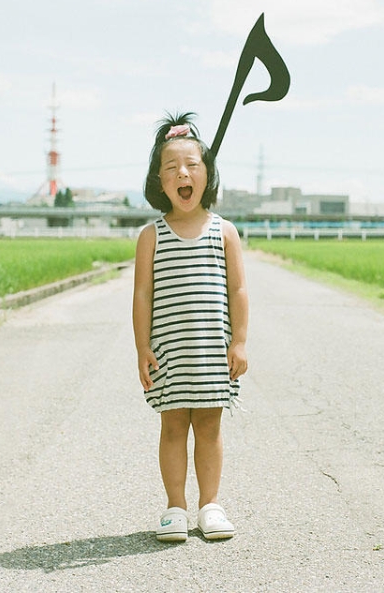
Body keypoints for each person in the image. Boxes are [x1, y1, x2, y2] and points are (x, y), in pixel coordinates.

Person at [132, 111, 249, 542]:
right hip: (171, 353)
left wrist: (239, 342)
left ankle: (210, 506)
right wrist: (142, 348)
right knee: (173, 428)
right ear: (158, 182)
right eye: (171, 167)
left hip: (211, 352)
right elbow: (142, 295)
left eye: (192, 165)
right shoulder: (152, 236)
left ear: (207, 176)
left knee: (210, 428)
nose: (182, 172)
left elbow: (238, 291)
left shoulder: (224, 232)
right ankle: (175, 507)